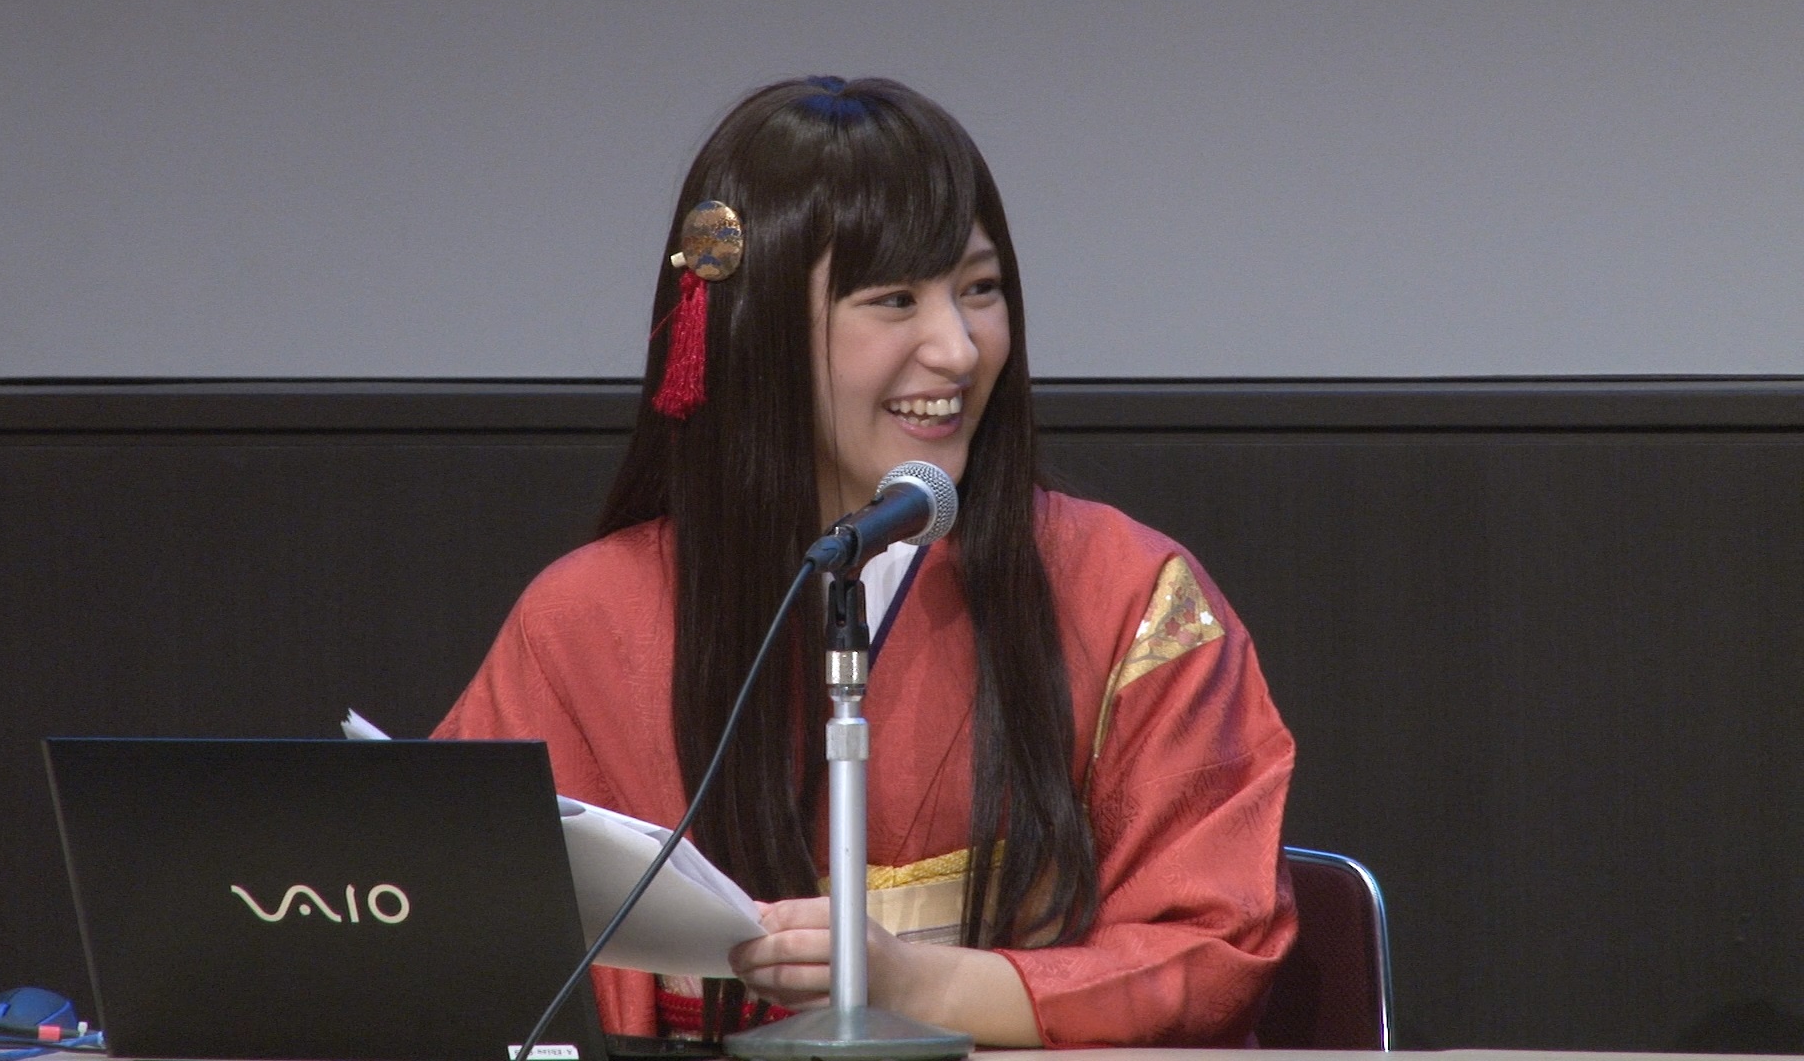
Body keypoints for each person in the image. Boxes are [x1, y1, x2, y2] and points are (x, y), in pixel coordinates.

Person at [433, 75, 1296, 1048]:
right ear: (756, 330)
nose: (958, 349)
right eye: (895, 299)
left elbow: (1214, 948)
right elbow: (455, 917)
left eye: (979, 290)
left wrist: (919, 984)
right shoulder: (589, 619)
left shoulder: (1128, 594)